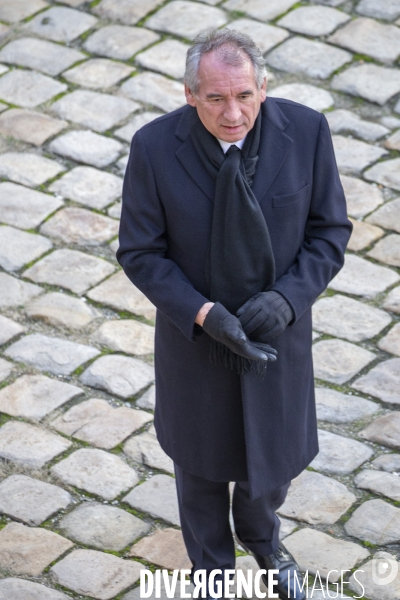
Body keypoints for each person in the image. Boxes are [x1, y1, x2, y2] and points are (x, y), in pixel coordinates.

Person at [117, 28, 352, 600]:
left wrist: (289, 299)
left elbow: (329, 232)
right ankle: (213, 572)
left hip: (278, 341)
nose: (233, 113)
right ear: (190, 94)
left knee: (271, 462)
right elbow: (140, 252)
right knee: (199, 471)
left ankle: (262, 536)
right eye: (216, 98)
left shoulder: (308, 133)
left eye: (244, 95)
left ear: (263, 87)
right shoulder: (153, 149)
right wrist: (202, 314)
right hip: (195, 342)